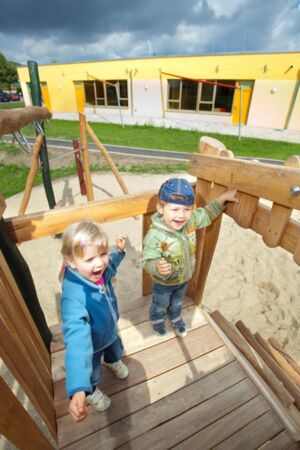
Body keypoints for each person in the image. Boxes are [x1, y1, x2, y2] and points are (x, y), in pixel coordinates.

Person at [142, 177, 238, 338]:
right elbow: (146, 260)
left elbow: (207, 214)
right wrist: (156, 266)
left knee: (178, 301)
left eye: (187, 209)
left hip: (184, 277)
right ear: (160, 208)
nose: (181, 216)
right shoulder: (155, 235)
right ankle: (156, 317)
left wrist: (223, 198)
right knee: (161, 302)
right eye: (175, 210)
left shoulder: (191, 221)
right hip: (163, 282)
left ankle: (175, 316)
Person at [60, 220, 129, 422]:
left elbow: (111, 265)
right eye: (90, 259)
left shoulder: (98, 272)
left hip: (110, 330)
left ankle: (112, 360)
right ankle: (89, 391)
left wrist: (118, 251)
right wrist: (78, 388)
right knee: (91, 369)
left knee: (115, 349)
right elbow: (77, 342)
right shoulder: (74, 295)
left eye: (102, 253)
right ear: (71, 261)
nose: (99, 263)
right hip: (92, 343)